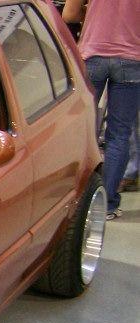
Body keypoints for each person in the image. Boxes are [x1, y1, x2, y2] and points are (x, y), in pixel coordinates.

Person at [63, 0, 140, 220]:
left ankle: (75, 198)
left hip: (93, 54)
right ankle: (106, 205)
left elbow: (69, 14)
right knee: (119, 135)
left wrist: (93, 14)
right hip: (132, 59)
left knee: (83, 130)